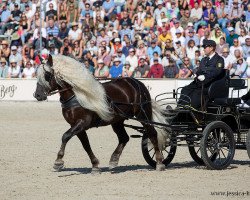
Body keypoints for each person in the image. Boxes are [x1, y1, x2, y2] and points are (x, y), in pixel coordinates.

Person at [178, 39, 225, 109]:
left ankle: (190, 109)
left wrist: (205, 77)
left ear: (211, 48)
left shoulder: (219, 59)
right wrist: (196, 74)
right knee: (185, 89)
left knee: (196, 93)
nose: (204, 49)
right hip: (199, 82)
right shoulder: (204, 60)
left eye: (205, 47)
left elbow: (217, 72)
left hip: (210, 84)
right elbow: (199, 71)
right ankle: (180, 107)